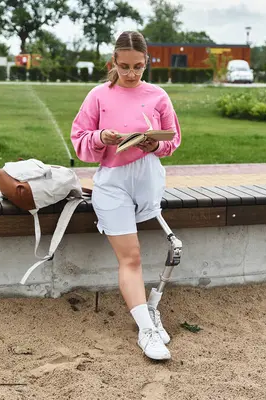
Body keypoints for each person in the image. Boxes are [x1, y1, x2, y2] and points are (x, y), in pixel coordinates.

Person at [70, 30, 181, 361]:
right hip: (113, 182)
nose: (131, 74)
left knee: (138, 252)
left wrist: (154, 143)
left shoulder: (159, 96)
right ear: (113, 63)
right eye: (124, 67)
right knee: (131, 257)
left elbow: (172, 142)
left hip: (148, 179)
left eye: (138, 67)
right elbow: (79, 139)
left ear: (147, 62)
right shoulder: (99, 96)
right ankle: (146, 331)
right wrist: (101, 136)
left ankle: (148, 314)